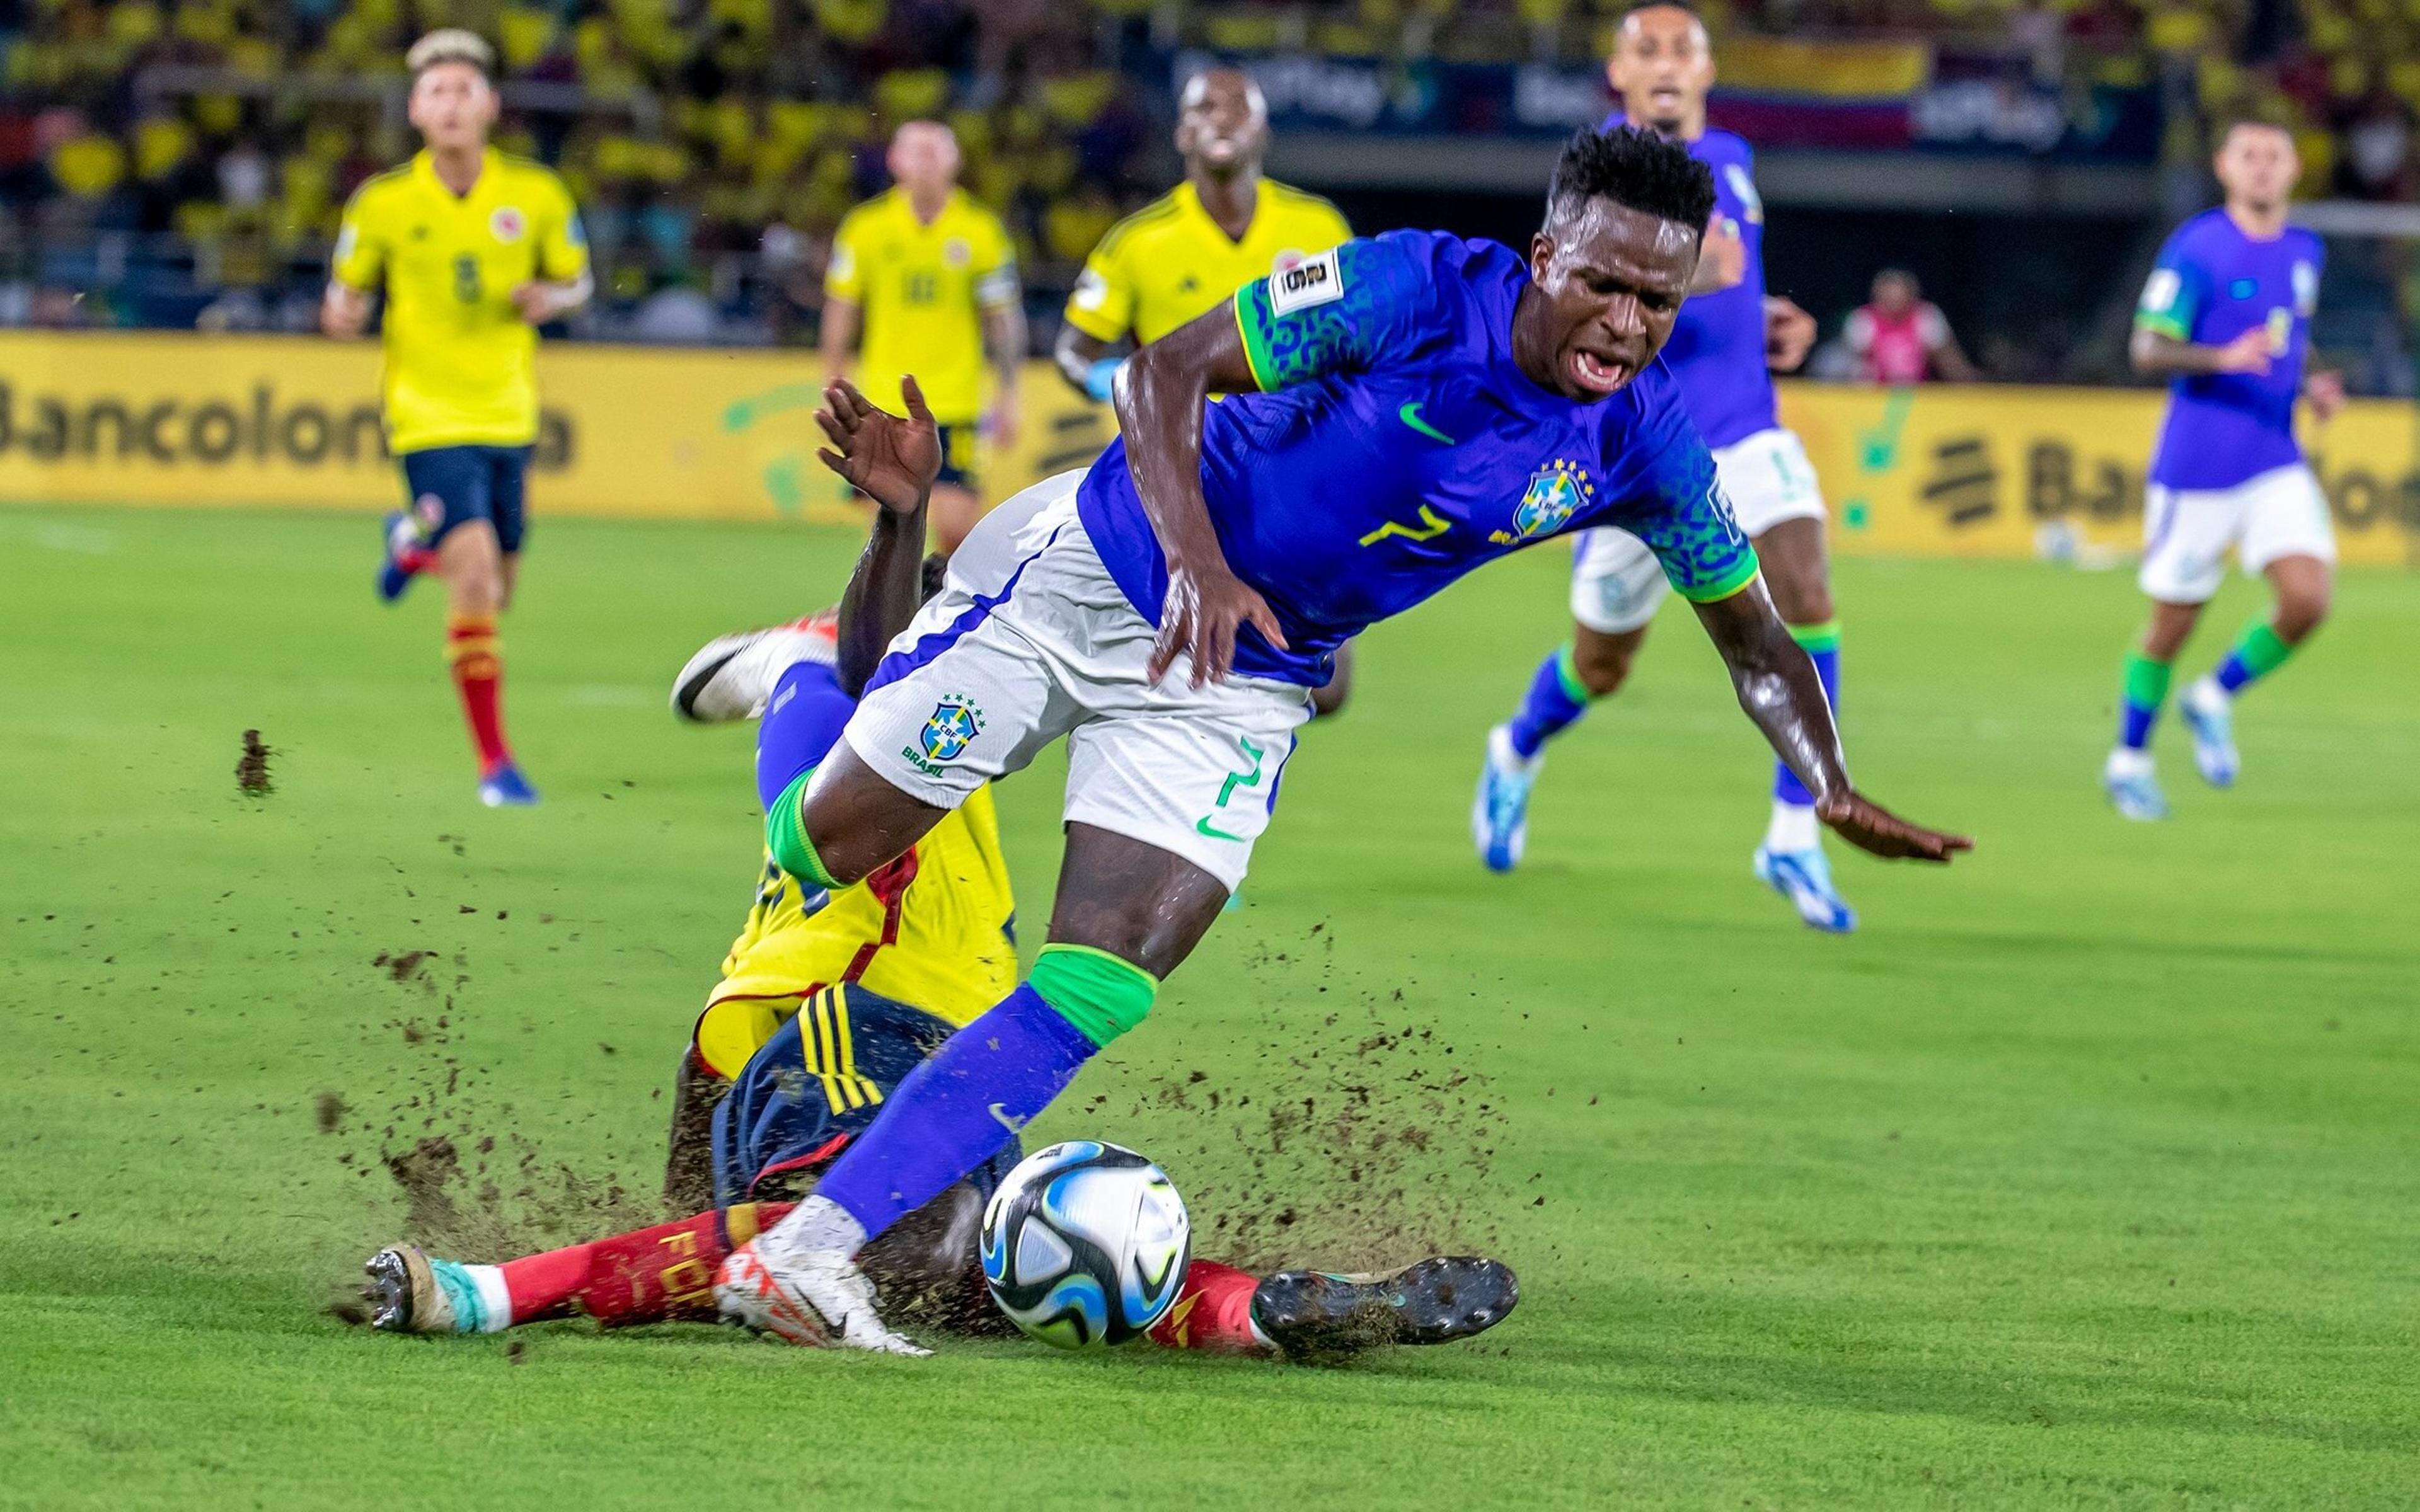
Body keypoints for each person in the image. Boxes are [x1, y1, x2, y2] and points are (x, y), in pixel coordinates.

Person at [712, 125, 1971, 1353]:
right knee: (821, 853)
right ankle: (798, 670)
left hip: (1249, 676)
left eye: (1658, 299)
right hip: (1099, 570)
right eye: (1603, 284)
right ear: (1544, 256)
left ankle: (811, 1254)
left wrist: (1831, 782)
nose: (1627, 324)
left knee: (1108, 972)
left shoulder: (1646, 441)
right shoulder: (1412, 287)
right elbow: (1157, 374)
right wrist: (1199, 566)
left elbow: (1755, 640)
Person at [361, 376, 1515, 1360]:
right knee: (907, 1233)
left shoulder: (996, 700)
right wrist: (896, 531)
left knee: (979, 1273)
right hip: (849, 1021)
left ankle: (1253, 1311)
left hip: (920, 1059)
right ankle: (498, 1290)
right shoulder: (948, 727)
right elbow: (889, 673)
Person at [1475, 3, 1865, 931]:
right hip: (1637, 445)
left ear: (1706, 70)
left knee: (1804, 593)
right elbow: (1586, 279)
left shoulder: (1732, 156)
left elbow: (1737, 275)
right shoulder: (1605, 167)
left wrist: (1774, 318)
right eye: (1644, 49)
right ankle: (1517, 748)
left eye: (1679, 50)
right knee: (1601, 664)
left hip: (1745, 429)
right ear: (1618, 71)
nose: (1662, 65)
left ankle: (1793, 832)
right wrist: (1696, 269)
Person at [324, 30, 591, 808]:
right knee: (474, 581)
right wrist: (342, 310)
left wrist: (552, 298)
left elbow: (579, 283)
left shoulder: (537, 195)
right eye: (436, 92)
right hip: (426, 414)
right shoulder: (381, 203)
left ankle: (411, 545)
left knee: (497, 587)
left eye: (463, 91)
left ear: (491, 107)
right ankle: (495, 765)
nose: (449, 104)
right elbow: (344, 294)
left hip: (509, 411)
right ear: (415, 110)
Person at [1054, 67, 1359, 714]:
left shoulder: (1319, 227)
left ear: (1262, 131)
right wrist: (1129, 385)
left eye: (1237, 109)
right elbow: (1071, 350)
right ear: (1182, 133)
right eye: (1204, 109)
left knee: (1328, 690)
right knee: (1182, 670)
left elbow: (1362, 340)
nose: (1221, 119)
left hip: (1299, 472)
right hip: (1186, 479)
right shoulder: (1140, 243)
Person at [2103, 121, 2342, 821]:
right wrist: (2220, 359)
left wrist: (2314, 383)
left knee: (2308, 601)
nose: (2263, 168)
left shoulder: (2306, 249)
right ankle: (2130, 757)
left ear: (2296, 168)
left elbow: (2288, 334)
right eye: (2249, 156)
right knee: (2172, 623)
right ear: (2224, 168)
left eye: (2275, 156)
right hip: (2197, 468)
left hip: (2274, 458)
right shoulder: (2197, 247)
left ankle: (2213, 697)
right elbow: (2146, 348)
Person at [824, 120, 1024, 554]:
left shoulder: (980, 231)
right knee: (887, 527)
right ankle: (891, 617)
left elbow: (1002, 318)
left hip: (956, 400)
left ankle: (948, 611)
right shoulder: (866, 228)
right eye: (917, 150)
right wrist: (834, 376)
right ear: (895, 161)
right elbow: (843, 306)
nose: (928, 159)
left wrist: (1010, 391)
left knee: (958, 526)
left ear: (957, 161)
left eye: (937, 150)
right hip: (883, 397)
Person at [1843, 269, 1976, 385]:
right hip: (1874, 395)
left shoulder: (1926, 316)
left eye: (1898, 297)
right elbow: (1847, 365)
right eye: (1888, 297)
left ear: (1911, 295)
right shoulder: (1863, 320)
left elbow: (1949, 361)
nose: (1894, 302)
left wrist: (1970, 385)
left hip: (1918, 393)